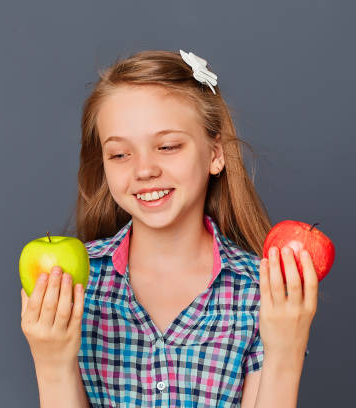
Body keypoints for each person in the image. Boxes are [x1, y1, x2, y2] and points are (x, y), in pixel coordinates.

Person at [20, 49, 318, 408]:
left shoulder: (261, 290)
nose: (144, 169)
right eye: (119, 154)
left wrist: (286, 353)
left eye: (167, 146)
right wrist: (52, 365)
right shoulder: (71, 286)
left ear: (215, 154)